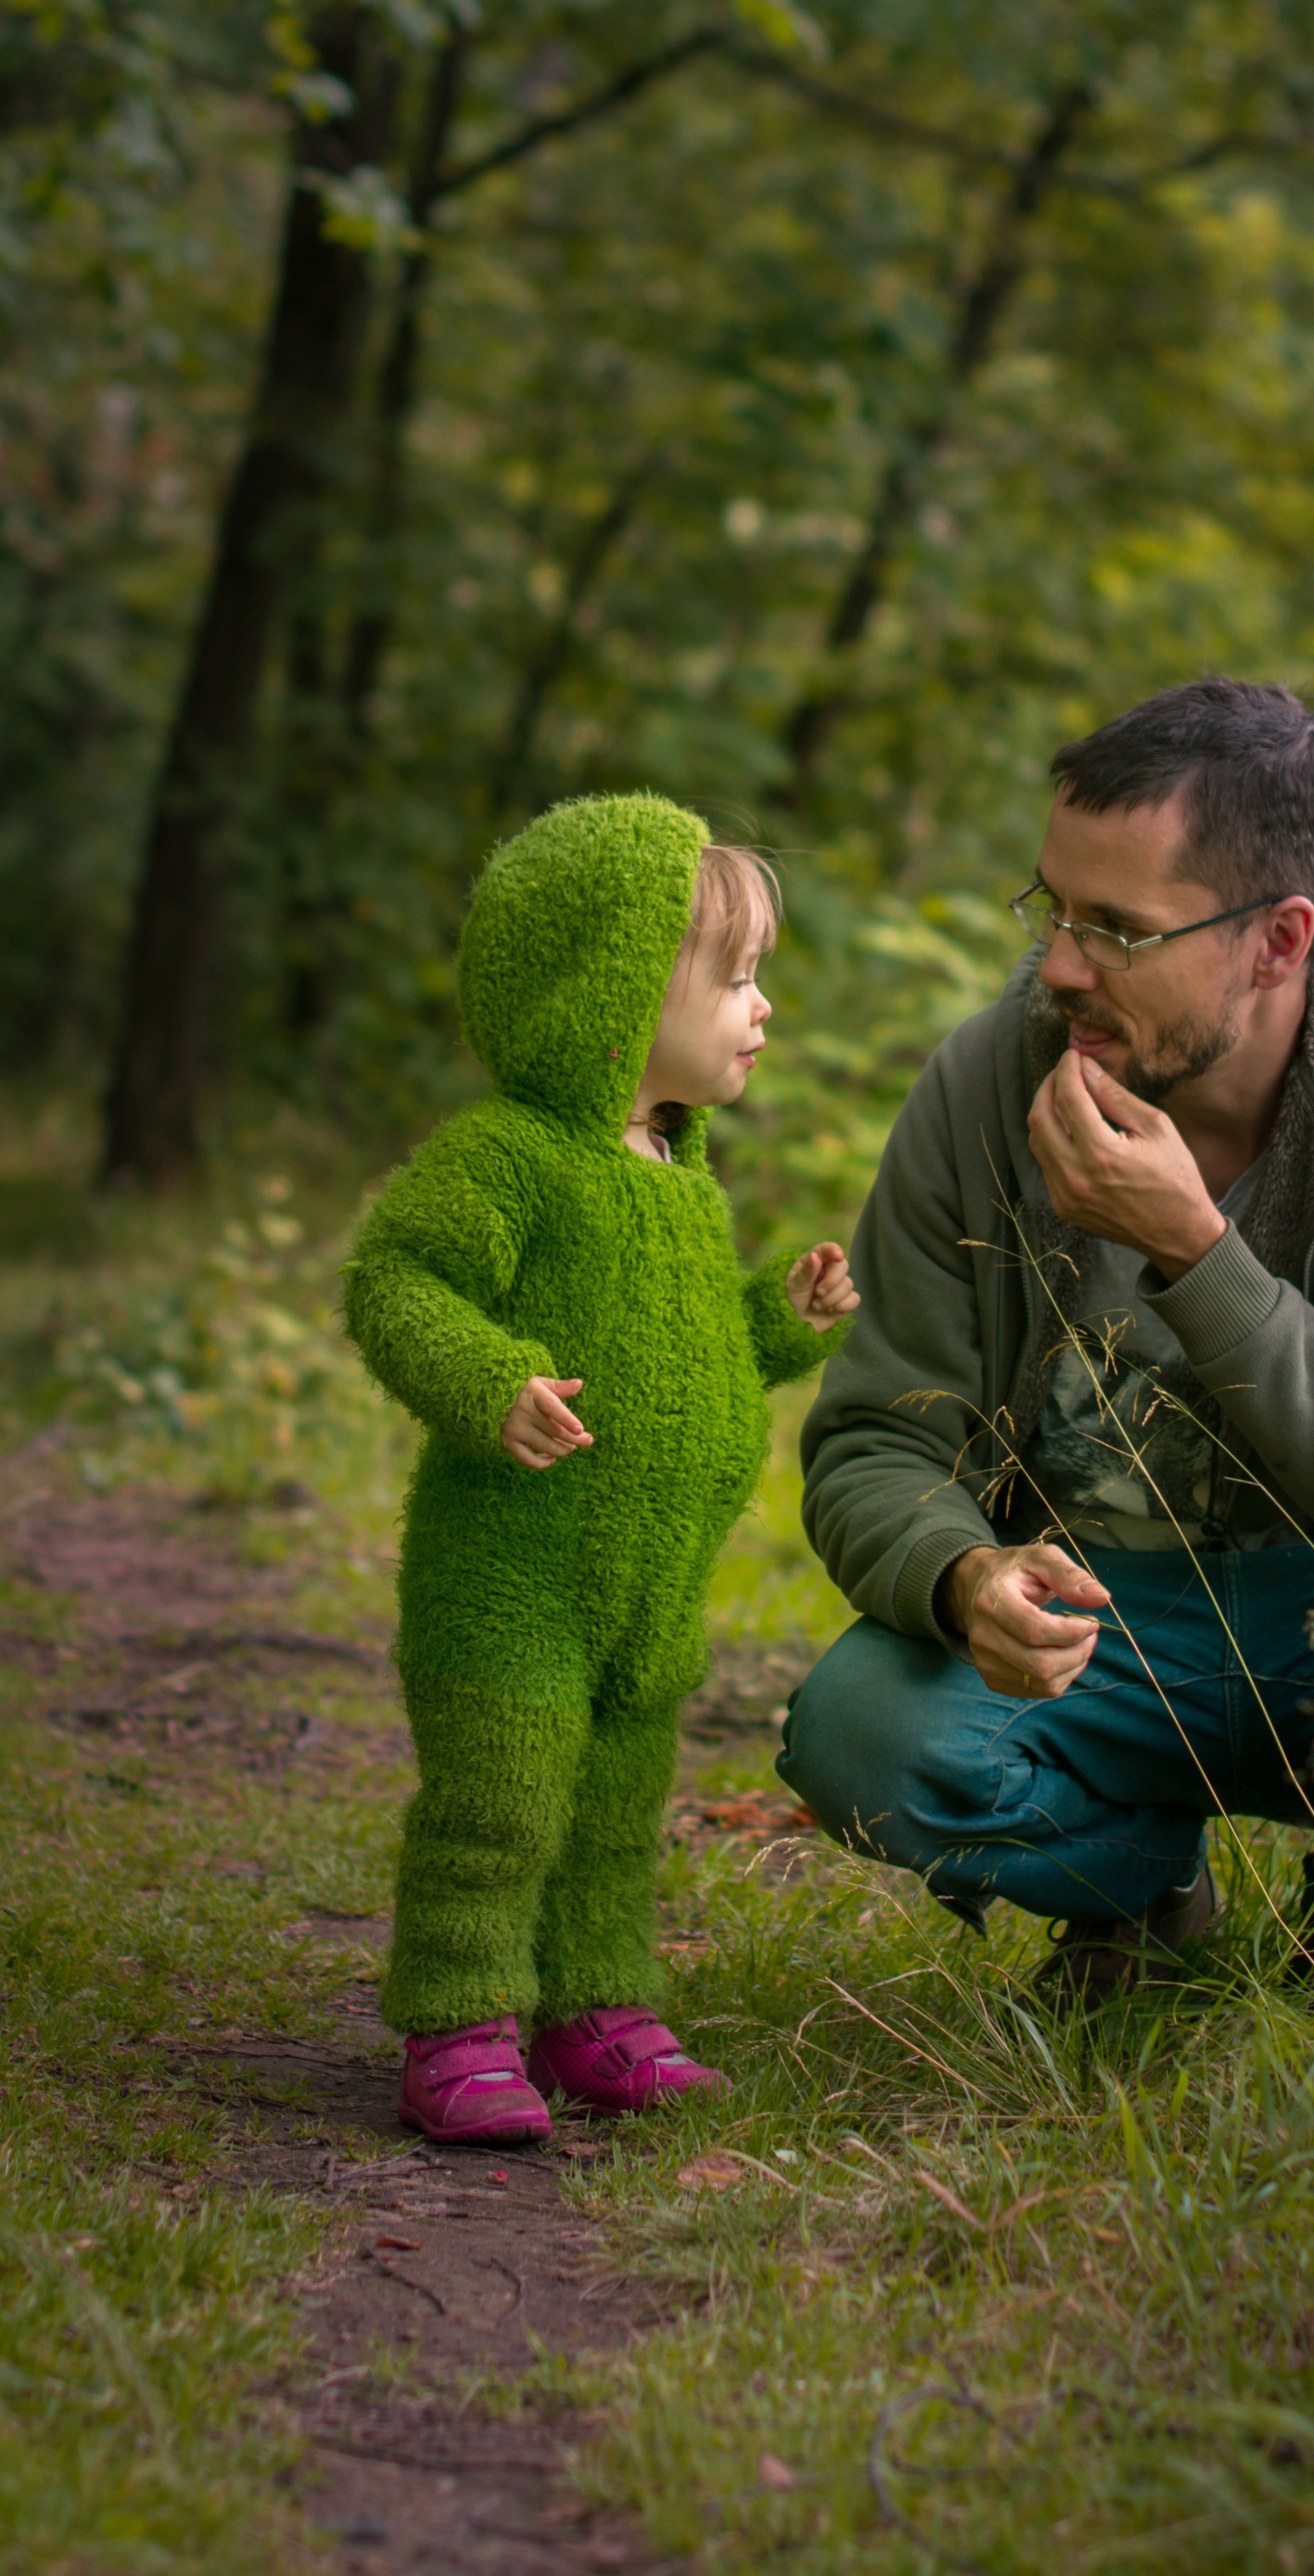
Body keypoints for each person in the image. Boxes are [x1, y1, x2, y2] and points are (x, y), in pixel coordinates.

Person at [777, 679, 1314, 1999]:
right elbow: (872, 1439)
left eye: (1118, 930)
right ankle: (1142, 1886)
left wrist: (1197, 1253)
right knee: (860, 1735)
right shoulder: (987, 1079)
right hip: (1103, 1619)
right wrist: (962, 1577)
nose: (1061, 964)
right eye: (1054, 909)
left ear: (1279, 940)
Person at [344, 793, 856, 2140]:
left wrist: (777, 1324)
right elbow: (399, 1281)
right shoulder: (508, 1160)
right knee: (502, 1799)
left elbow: (694, 1360)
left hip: (648, 1590)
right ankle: (458, 2020)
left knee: (618, 1813)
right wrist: (485, 1380)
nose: (759, 1011)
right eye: (736, 979)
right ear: (617, 989)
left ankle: (594, 2006)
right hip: (512, 1579)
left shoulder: (684, 1175)